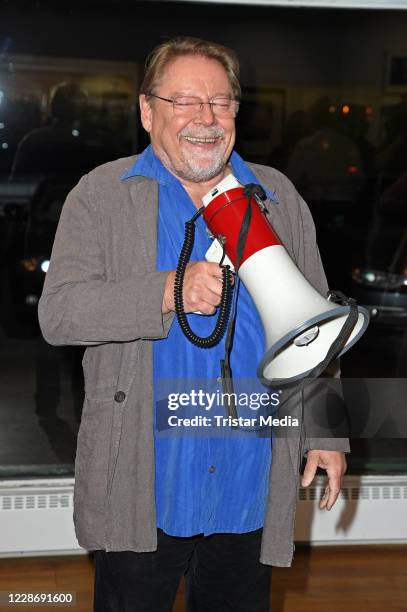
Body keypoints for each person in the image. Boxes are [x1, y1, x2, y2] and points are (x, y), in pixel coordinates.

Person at [38, 37, 348, 612]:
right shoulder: (102, 197)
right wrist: (166, 291)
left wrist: (326, 432)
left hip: (247, 480)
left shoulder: (277, 197)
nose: (205, 119)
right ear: (147, 111)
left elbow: (316, 327)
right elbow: (59, 314)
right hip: (145, 485)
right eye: (183, 102)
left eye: (221, 102)